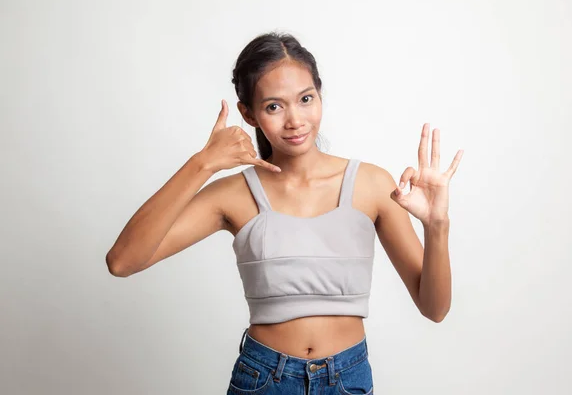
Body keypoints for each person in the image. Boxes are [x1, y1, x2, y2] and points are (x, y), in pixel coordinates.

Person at [105, 32, 463, 394]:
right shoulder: (234, 194)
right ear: (248, 113)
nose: (295, 120)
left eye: (306, 99)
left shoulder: (371, 184)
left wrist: (437, 225)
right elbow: (122, 261)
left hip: (348, 380)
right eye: (274, 106)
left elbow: (434, 309)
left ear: (320, 96)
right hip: (264, 380)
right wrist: (203, 163)